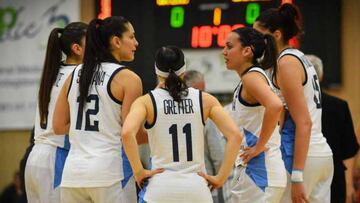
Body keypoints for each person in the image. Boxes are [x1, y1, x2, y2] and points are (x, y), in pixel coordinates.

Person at [121, 46, 242, 203]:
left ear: (157, 71)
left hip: (159, 190)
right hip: (197, 190)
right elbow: (236, 136)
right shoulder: (205, 99)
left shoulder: (146, 101)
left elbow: (127, 133)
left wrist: (138, 171)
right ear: (184, 69)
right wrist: (221, 177)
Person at [53, 16, 140, 203]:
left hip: (72, 176)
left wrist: (88, 132)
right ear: (116, 41)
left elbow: (58, 126)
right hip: (108, 175)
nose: (136, 43)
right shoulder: (129, 79)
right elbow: (131, 133)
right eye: (131, 37)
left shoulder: (73, 73)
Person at [253, 3, 333, 203]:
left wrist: (297, 175)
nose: (255, 40)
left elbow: (303, 122)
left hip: (303, 157)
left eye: (259, 34)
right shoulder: (300, 57)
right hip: (319, 154)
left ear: (277, 35)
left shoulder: (286, 63)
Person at [24, 22, 87, 203]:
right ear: (77, 48)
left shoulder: (53, 71)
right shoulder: (79, 75)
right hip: (56, 158)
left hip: (35, 158)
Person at [223, 27, 287, 202]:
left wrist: (260, 145)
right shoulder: (252, 77)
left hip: (260, 173)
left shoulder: (252, 78)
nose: (224, 51)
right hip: (259, 172)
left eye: (229, 46)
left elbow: (275, 105)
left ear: (247, 51)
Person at [307, 54, 359, 203]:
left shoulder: (290, 106)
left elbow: (350, 149)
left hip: (304, 171)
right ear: (321, 76)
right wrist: (349, 185)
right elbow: (349, 150)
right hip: (333, 175)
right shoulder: (339, 106)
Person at [184, 70, 226, 203]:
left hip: (174, 185)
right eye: (201, 91)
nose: (205, 95)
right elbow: (219, 155)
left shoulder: (167, 113)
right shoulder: (207, 115)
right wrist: (219, 179)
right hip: (205, 186)